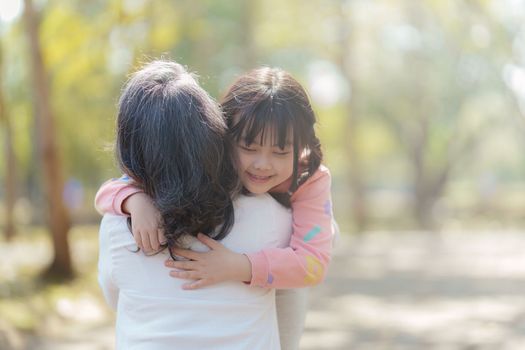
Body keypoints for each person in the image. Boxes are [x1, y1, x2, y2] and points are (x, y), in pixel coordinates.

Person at [96, 67, 335, 350]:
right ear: (223, 132)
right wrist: (134, 200)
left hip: (297, 244)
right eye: (249, 147)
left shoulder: (310, 178)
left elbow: (312, 264)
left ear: (302, 148)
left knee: (330, 235)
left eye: (281, 152)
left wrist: (240, 266)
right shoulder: (214, 154)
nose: (262, 164)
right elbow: (111, 189)